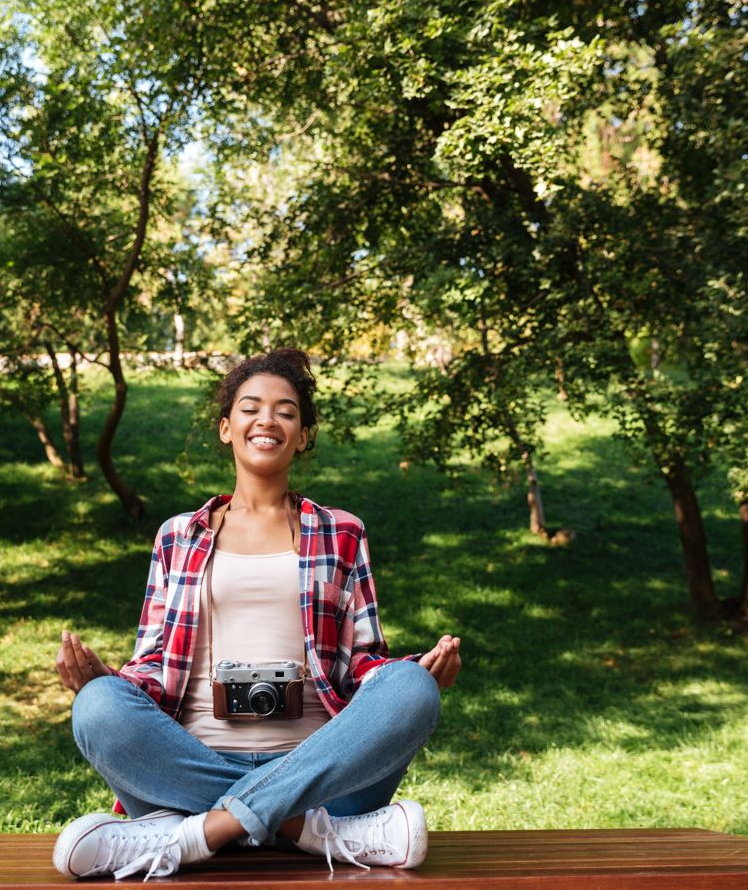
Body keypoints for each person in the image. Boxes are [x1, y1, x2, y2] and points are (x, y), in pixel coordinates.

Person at [51, 348, 462, 880]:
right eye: (250, 407)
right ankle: (307, 834)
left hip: (320, 776)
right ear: (226, 428)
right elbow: (152, 663)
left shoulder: (342, 532)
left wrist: (406, 673)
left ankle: (196, 834)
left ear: (303, 435)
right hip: (192, 763)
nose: (267, 419)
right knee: (98, 706)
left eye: (286, 411)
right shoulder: (178, 535)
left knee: (411, 691)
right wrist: (108, 682)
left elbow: (362, 661)